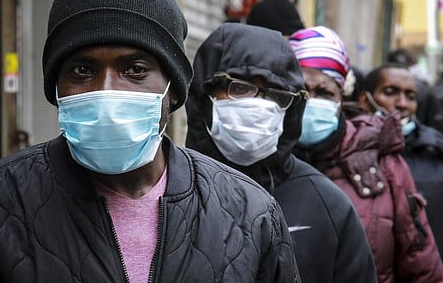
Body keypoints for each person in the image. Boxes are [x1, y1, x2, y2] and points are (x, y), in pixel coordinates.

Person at [0, 0, 301, 283]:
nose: (107, 91)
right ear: (56, 87)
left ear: (172, 89)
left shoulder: (249, 213)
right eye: (82, 70)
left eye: (135, 70)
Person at [185, 22, 377, 283]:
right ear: (203, 95)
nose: (259, 106)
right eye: (240, 88)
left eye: (276, 96)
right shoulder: (166, 191)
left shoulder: (326, 204)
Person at [288, 26, 443, 282]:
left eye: (325, 92)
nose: (312, 100)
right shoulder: (261, 160)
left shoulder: (386, 165)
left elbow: (421, 268)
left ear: (341, 96)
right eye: (303, 90)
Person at [359, 63, 443, 257]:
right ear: (365, 100)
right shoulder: (341, 151)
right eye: (390, 92)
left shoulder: (435, 154)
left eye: (411, 97)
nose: (402, 103)